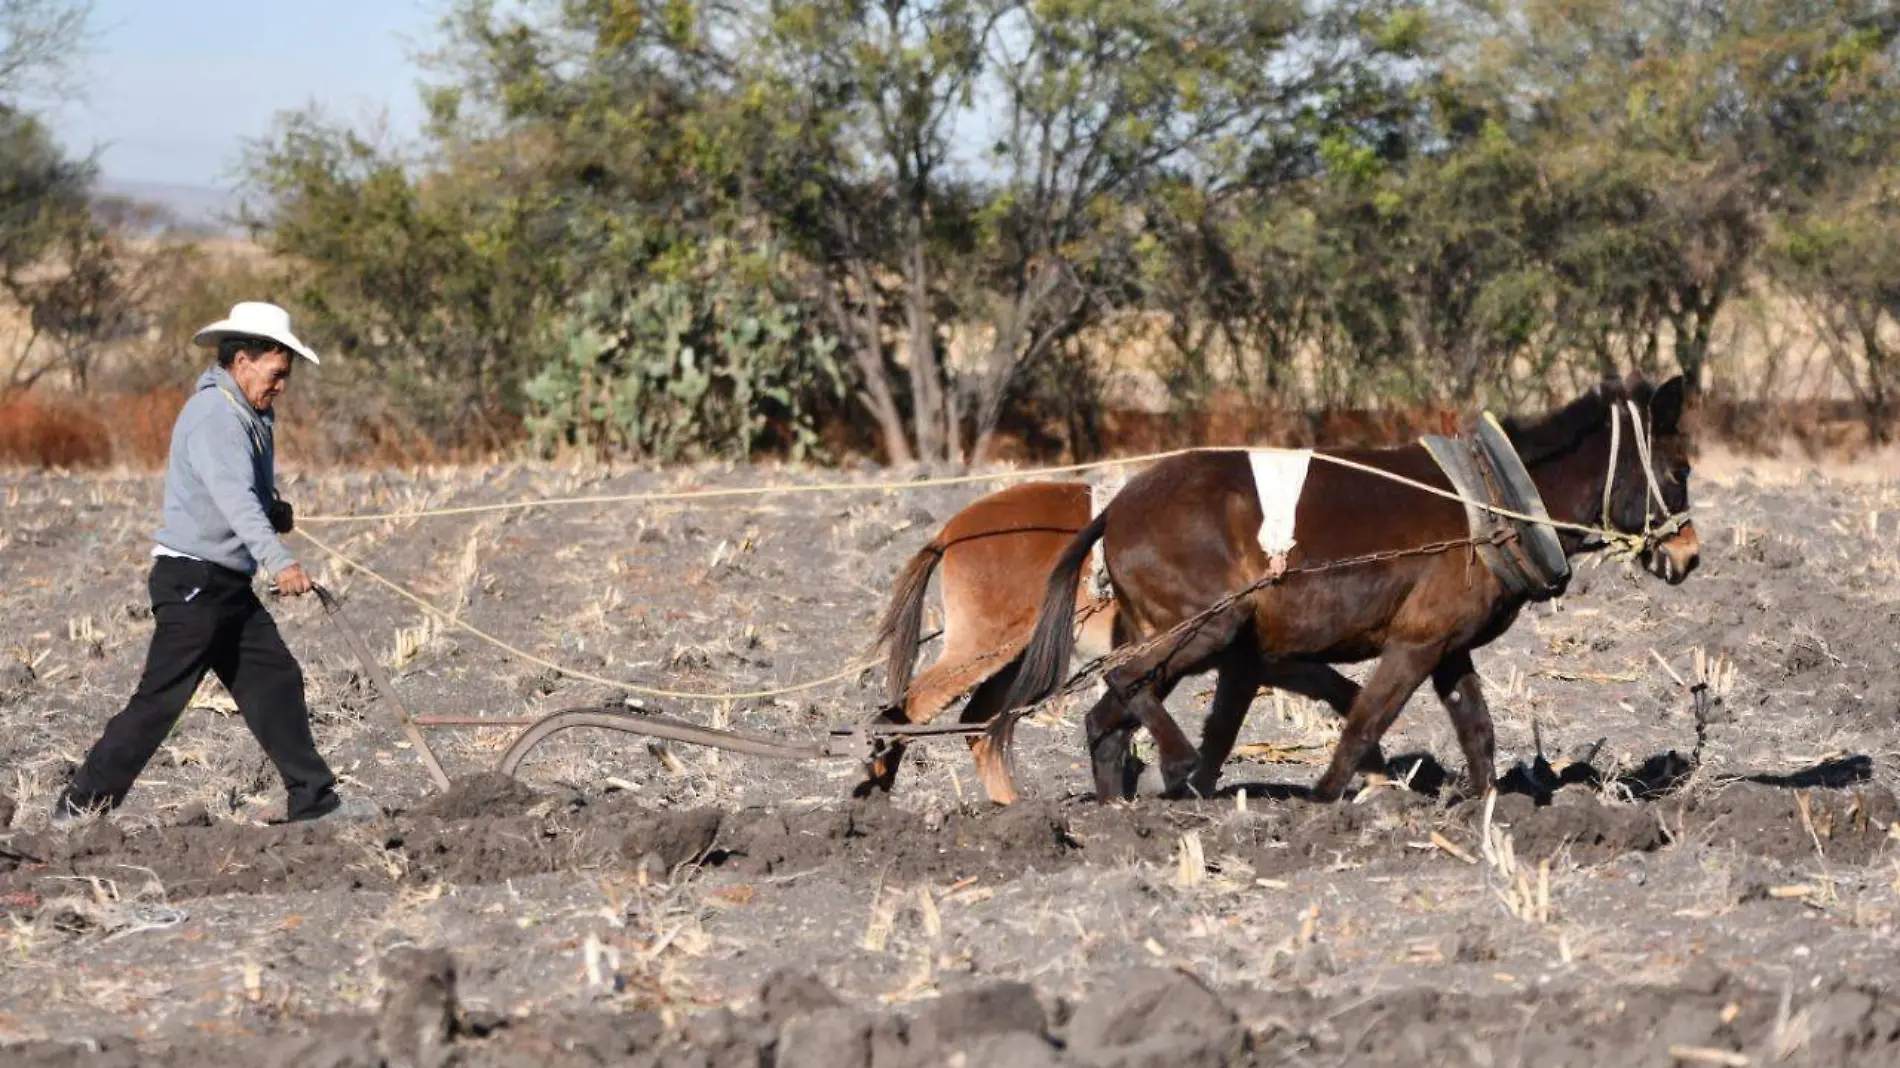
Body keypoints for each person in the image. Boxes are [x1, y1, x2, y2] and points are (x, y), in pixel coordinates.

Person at [53, 302, 374, 826]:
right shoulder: (216, 415)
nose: (281, 386)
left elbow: (241, 493)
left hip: (222, 585)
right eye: (276, 374)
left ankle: (314, 802)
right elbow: (232, 497)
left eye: (285, 377)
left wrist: (275, 510)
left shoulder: (245, 413)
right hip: (194, 583)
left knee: (275, 679)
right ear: (243, 359)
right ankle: (79, 809)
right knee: (160, 702)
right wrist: (277, 558)